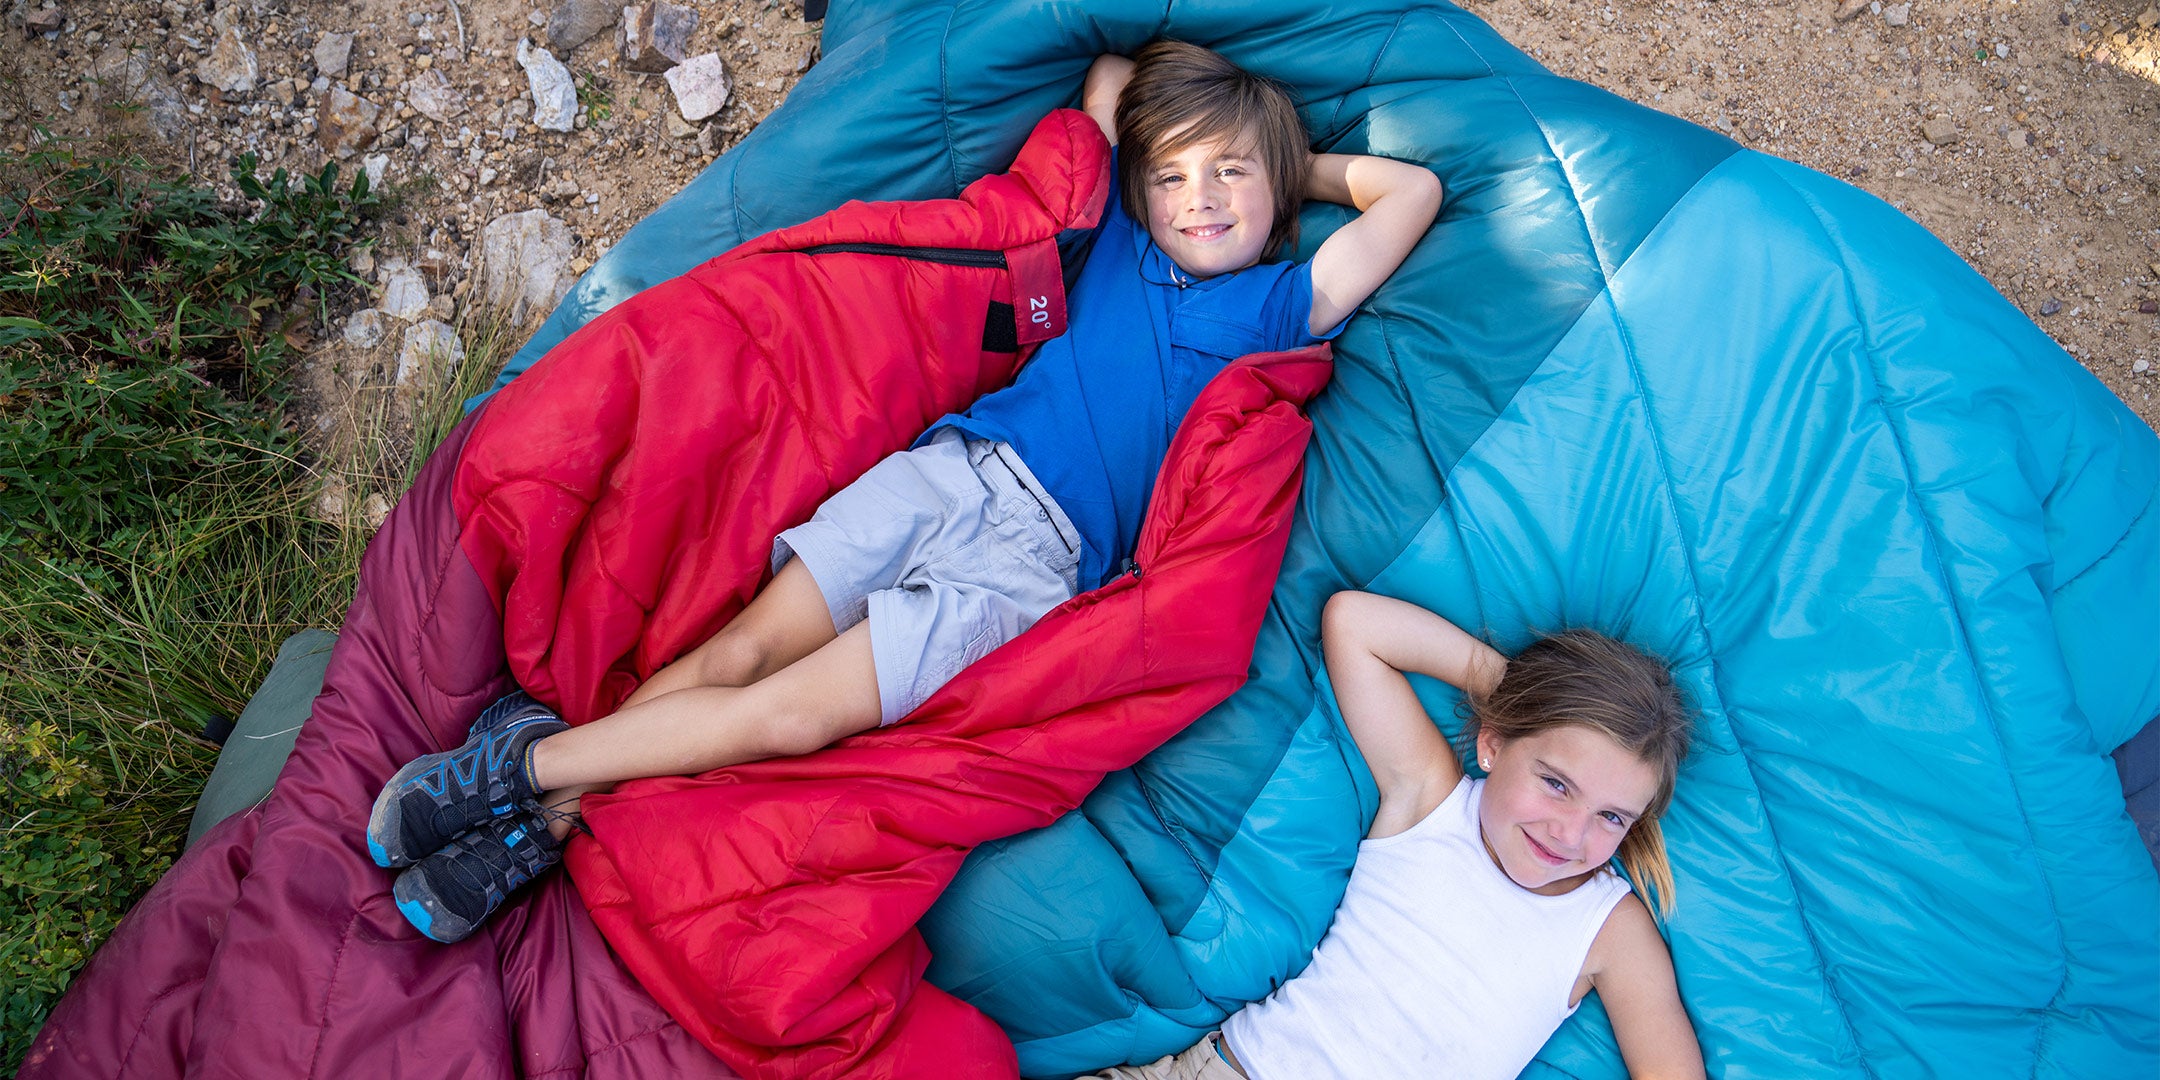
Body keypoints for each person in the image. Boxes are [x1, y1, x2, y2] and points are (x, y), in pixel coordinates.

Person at [366, 42, 1446, 944]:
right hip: (943, 474)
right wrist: (1201, 149)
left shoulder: (1279, 306)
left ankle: (525, 774)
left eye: (1229, 178)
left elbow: (1413, 191)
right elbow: (1112, 78)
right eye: (1174, 177)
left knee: (787, 720)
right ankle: (539, 821)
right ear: (1139, 190)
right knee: (737, 656)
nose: (1199, 199)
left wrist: (1281, 160)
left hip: (1027, 568)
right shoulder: (1121, 239)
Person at [1090, 590, 1705, 1080]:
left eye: (1612, 817)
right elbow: (1355, 625)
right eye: (1556, 783)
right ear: (1491, 744)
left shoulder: (1609, 928)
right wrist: (1526, 706)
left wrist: (1539, 739)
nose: (1569, 833)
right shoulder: (1431, 800)